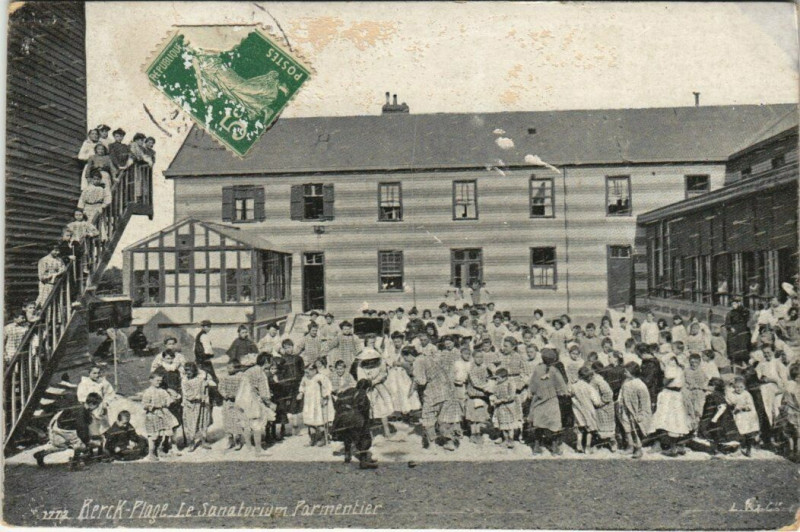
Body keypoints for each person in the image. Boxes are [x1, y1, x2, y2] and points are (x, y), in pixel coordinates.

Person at [412, 340, 461, 451]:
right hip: (449, 391)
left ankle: (432, 444)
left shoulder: (419, 361)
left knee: (428, 418)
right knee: (446, 418)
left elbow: (421, 381)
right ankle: (449, 442)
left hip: (432, 393)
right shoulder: (442, 357)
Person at [33, 392, 102, 470]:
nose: (96, 408)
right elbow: (82, 430)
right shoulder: (81, 412)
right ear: (92, 404)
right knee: (82, 445)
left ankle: (41, 454)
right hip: (63, 430)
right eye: (97, 405)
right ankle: (75, 464)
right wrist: (88, 441)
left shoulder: (80, 406)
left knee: (61, 446)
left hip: (56, 427)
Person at [527, 348, 569, 455]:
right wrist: (563, 393)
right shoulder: (555, 371)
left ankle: (537, 447)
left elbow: (532, 385)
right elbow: (562, 387)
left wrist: (533, 392)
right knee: (554, 424)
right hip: (551, 401)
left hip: (539, 400)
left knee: (538, 424)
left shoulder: (537, 369)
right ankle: (555, 448)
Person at [331, 379, 378, 469]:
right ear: (367, 389)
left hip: (340, 420)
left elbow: (337, 405)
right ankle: (363, 461)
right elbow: (364, 412)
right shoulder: (363, 394)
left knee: (347, 435)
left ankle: (347, 457)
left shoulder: (347, 391)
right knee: (365, 436)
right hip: (354, 418)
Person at [652, 355, 692, 456]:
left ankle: (673, 447)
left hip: (669, 394)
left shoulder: (670, 369)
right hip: (677, 394)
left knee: (669, 420)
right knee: (677, 419)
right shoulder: (679, 369)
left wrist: (661, 383)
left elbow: (666, 381)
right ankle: (679, 445)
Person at [355, 339, 395, 439]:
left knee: (382, 408)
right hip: (367, 389)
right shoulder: (360, 365)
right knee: (368, 410)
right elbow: (360, 377)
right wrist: (367, 382)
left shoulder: (380, 362)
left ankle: (387, 431)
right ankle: (369, 434)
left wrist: (374, 381)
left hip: (378, 387)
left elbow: (383, 373)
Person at [238, 353, 276, 456]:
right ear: (266, 362)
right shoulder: (261, 373)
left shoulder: (248, 371)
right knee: (257, 425)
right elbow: (264, 393)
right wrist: (270, 404)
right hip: (253, 401)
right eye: (270, 361)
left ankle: (249, 447)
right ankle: (258, 451)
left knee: (246, 424)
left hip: (242, 400)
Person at [141, 373, 180, 461]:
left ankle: (160, 450)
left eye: (160, 381)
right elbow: (144, 405)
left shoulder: (162, 391)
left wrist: (172, 398)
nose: (159, 382)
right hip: (153, 414)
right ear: (151, 380)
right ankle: (151, 453)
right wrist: (154, 406)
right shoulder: (148, 391)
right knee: (153, 435)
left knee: (164, 432)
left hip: (164, 413)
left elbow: (168, 400)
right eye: (157, 381)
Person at [618, 363, 652, 459]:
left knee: (635, 429)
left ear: (632, 373)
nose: (624, 373)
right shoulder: (626, 381)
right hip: (625, 408)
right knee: (627, 428)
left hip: (635, 410)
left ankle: (638, 448)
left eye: (626, 371)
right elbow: (622, 393)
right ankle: (630, 446)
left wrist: (641, 413)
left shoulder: (640, 385)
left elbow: (644, 401)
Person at [698, 378, 739, 457]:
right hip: (714, 417)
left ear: (715, 387)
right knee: (715, 434)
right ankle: (718, 450)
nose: (708, 386)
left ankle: (718, 451)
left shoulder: (715, 395)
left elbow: (722, 407)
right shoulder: (714, 394)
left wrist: (714, 419)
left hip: (718, 419)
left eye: (710, 385)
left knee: (715, 433)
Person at [297, 362, 334, 446]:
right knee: (309, 421)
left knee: (319, 420)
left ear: (314, 370)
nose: (306, 374)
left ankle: (323, 438)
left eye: (308, 372)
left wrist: (324, 397)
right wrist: (301, 393)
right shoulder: (305, 378)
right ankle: (312, 439)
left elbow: (327, 387)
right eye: (305, 372)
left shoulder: (320, 377)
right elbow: (302, 386)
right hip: (308, 402)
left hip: (318, 402)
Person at [273, 338, 305, 437]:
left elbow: (302, 371)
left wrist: (301, 383)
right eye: (286, 348)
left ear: (293, 347)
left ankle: (295, 428)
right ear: (283, 348)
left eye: (290, 347)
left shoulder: (298, 358)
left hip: (296, 385)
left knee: (295, 406)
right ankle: (283, 428)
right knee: (283, 407)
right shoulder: (281, 359)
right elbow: (279, 373)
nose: (288, 350)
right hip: (285, 387)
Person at [181, 362, 216, 451]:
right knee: (191, 424)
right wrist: (198, 396)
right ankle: (191, 442)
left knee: (203, 422)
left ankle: (203, 440)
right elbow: (187, 394)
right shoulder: (185, 381)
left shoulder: (201, 378)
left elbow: (213, 384)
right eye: (186, 371)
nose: (188, 373)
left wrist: (207, 381)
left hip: (202, 405)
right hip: (191, 405)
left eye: (190, 371)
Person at [76, 365, 115, 437]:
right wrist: (91, 404)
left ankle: (106, 433)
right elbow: (82, 397)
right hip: (91, 406)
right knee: (92, 421)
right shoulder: (84, 384)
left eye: (98, 373)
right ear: (89, 373)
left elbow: (109, 393)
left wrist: (105, 402)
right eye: (94, 373)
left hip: (102, 405)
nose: (97, 375)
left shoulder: (103, 382)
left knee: (107, 418)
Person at [727, 376, 760, 456]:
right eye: (737, 387)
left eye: (741, 387)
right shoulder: (732, 394)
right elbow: (730, 401)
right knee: (738, 432)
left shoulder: (746, 394)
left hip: (747, 416)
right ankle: (738, 449)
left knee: (748, 433)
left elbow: (750, 405)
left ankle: (749, 449)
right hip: (738, 416)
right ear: (734, 387)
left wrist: (743, 407)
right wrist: (733, 406)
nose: (739, 389)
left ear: (744, 387)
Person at [572, 366, 601, 454]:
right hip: (588, 410)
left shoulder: (574, 386)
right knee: (590, 429)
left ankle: (579, 444)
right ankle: (588, 447)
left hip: (577, 410)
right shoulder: (589, 388)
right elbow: (597, 401)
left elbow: (570, 393)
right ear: (589, 377)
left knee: (579, 427)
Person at [466, 349, 492, 444]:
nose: (479, 359)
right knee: (473, 418)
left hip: (482, 396)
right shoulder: (471, 369)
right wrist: (488, 387)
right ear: (473, 358)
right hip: (473, 396)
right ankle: (473, 434)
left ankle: (478, 433)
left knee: (479, 417)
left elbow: (487, 378)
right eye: (477, 357)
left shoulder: (484, 368)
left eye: (481, 357)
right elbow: (476, 383)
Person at [588, 367, 617, 451]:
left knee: (608, 427)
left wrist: (601, 402)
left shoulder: (599, 381)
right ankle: (599, 443)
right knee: (599, 426)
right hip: (598, 407)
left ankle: (613, 443)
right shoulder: (592, 380)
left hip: (605, 406)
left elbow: (608, 393)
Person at [218, 359, 244, 450]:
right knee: (227, 421)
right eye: (227, 367)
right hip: (227, 402)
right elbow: (220, 387)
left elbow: (243, 389)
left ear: (236, 368)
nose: (228, 369)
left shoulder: (241, 377)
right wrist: (225, 394)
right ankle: (230, 439)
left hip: (238, 402)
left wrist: (236, 395)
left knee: (237, 421)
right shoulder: (224, 377)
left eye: (230, 367)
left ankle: (238, 440)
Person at [490, 368, 518, 449]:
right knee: (503, 425)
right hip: (500, 408)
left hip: (509, 407)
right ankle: (505, 439)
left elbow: (511, 396)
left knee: (510, 426)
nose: (497, 380)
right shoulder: (497, 385)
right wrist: (494, 399)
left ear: (504, 377)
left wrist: (502, 400)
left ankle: (511, 440)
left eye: (498, 378)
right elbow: (494, 394)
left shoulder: (510, 384)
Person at [683, 353, 708, 430]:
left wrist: (701, 387)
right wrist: (687, 387)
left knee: (699, 410)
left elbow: (706, 381)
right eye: (692, 362)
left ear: (699, 362)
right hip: (689, 392)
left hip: (699, 393)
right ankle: (691, 428)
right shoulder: (686, 371)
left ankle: (698, 428)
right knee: (690, 410)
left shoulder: (702, 371)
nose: (694, 364)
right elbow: (683, 382)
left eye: (696, 362)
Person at [725, 297, 751, 366]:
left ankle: (745, 359)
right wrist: (731, 328)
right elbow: (727, 324)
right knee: (733, 344)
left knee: (744, 343)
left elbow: (747, 316)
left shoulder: (743, 311)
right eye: (732, 304)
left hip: (742, 330)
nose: (733, 306)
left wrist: (741, 307)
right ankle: (734, 360)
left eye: (735, 304)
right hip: (734, 331)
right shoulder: (730, 313)